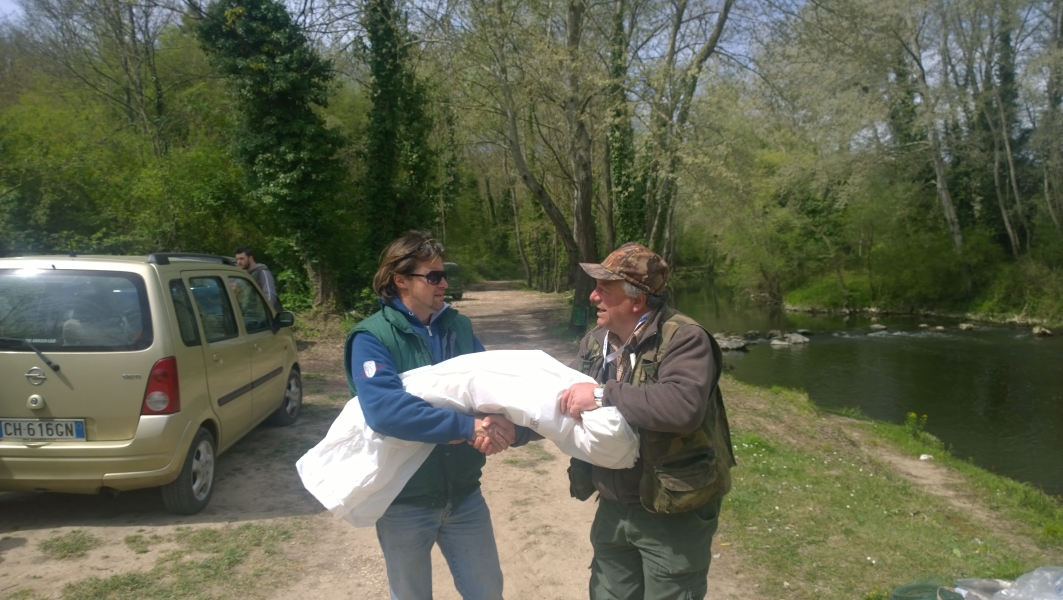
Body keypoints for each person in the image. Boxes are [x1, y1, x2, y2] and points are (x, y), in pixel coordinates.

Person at [343, 230, 530, 600]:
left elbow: (487, 389)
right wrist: (467, 427)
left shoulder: (459, 327)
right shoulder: (370, 338)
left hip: (464, 495)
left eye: (444, 275)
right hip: (404, 502)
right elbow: (386, 411)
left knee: (488, 593)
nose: (444, 283)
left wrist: (501, 425)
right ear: (400, 280)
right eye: (433, 276)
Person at [559, 242, 737, 600]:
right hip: (614, 505)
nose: (593, 296)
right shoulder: (595, 342)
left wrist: (602, 394)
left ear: (637, 301)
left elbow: (682, 408)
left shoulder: (685, 339)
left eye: (604, 289)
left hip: (674, 511)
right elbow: (562, 399)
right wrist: (507, 428)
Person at [234, 247, 281, 312]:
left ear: (250, 258)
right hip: (252, 314)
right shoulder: (245, 275)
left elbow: (270, 294)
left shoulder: (262, 272)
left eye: (241, 259)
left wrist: (267, 312)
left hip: (265, 314)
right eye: (237, 259)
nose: (238, 262)